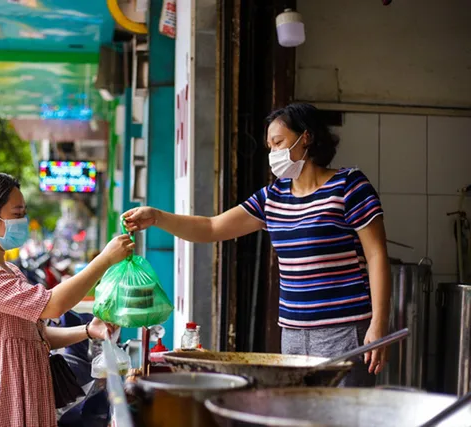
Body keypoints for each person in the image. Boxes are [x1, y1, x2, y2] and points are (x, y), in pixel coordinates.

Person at [124, 103, 392, 387]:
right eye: (269, 147)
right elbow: (212, 227)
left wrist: (379, 324)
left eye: (279, 143)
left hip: (345, 331)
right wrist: (157, 217)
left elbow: (377, 255)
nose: (273, 153)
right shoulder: (272, 197)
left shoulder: (349, 186)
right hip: (293, 335)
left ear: (307, 138)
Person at [0, 173, 134, 427]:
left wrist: (89, 330)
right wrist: (104, 260)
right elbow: (51, 305)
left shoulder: (9, 271)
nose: (23, 221)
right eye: (17, 213)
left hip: (27, 404)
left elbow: (33, 335)